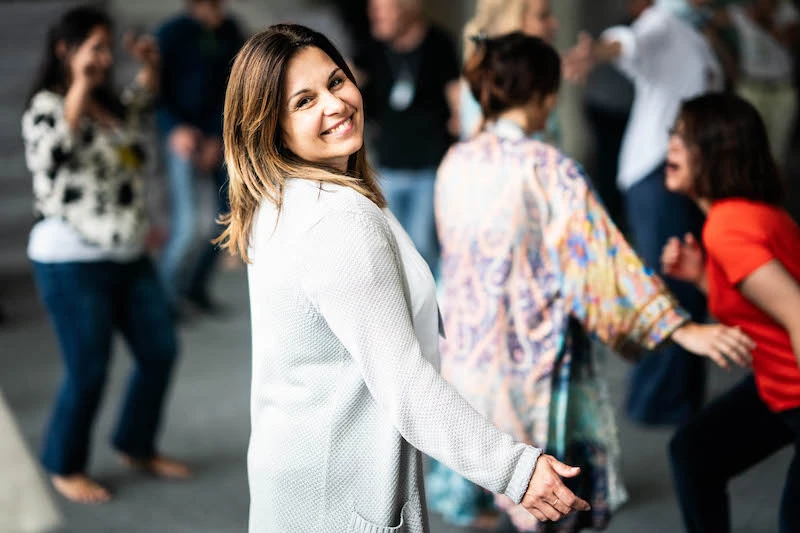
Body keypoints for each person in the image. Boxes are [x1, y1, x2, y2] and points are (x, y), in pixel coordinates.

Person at [217, 24, 593, 532]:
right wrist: (516, 471)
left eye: (336, 81)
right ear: (271, 127)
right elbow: (406, 385)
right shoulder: (336, 219)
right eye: (304, 101)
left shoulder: (279, 197)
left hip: (297, 481)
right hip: (340, 496)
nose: (335, 104)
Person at [434, 33, 752, 533]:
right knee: (545, 500)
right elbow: (600, 267)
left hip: (469, 360)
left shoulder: (457, 160)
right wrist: (681, 328)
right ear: (546, 96)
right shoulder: (549, 168)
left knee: (502, 487)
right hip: (532, 366)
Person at [21, 6, 189, 504]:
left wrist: (150, 64)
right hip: (69, 259)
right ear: (65, 50)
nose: (103, 57)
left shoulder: (109, 105)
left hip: (127, 253)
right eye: (93, 47)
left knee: (160, 350)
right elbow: (53, 154)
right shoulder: (46, 106)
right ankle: (64, 464)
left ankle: (136, 445)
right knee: (88, 368)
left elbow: (142, 105)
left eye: (107, 48)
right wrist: (79, 83)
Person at [565, 0, 725, 426]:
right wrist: (597, 52)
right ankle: (656, 402)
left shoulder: (694, 30)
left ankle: (680, 399)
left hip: (684, 173)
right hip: (658, 173)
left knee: (687, 284)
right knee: (669, 287)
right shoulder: (663, 23)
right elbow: (630, 43)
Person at [661, 93, 800, 533]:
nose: (671, 145)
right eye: (673, 134)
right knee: (694, 452)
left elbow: (797, 312)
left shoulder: (728, 227)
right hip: (779, 388)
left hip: (796, 392)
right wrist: (704, 278)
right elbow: (763, 305)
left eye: (685, 138)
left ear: (718, 152)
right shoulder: (741, 216)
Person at [352, 0, 460, 275]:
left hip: (430, 166)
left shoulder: (438, 43)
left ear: (406, 8)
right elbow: (348, 78)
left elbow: (456, 95)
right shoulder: (371, 48)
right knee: (388, 245)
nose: (374, 17)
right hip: (387, 166)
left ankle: (431, 299)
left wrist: (462, 124)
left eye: (382, 11)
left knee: (423, 245)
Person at [155, 0, 245, 313]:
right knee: (190, 224)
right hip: (183, 137)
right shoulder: (171, 33)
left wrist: (218, 137)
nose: (217, 10)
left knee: (229, 217)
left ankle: (195, 288)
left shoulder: (229, 30)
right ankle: (164, 299)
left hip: (219, 135)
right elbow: (156, 92)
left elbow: (235, 88)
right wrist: (174, 129)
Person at [459, 0, 559, 142]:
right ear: (513, 20)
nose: (554, 23)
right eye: (542, 16)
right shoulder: (487, 82)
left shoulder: (535, 79)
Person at [727, 0, 799, 165]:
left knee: (777, 155)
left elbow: (789, 39)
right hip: (751, 87)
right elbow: (709, 22)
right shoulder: (740, 10)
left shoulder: (788, 11)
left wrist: (762, 21)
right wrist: (729, 62)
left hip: (781, 90)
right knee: (746, 151)